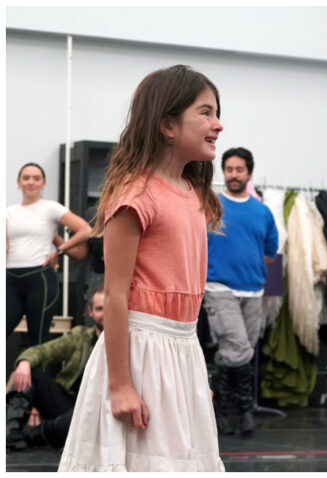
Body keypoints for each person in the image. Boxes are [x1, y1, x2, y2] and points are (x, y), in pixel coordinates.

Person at [58, 65, 226, 472]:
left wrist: (191, 372)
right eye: (205, 112)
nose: (218, 125)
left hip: (181, 350)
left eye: (217, 113)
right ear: (168, 124)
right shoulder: (136, 194)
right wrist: (119, 385)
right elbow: (115, 294)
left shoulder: (192, 193)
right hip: (141, 355)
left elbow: (187, 308)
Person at [204, 146, 278, 436]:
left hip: (254, 291)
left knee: (234, 351)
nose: (233, 175)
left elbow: (270, 252)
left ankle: (222, 410)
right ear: (224, 172)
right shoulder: (211, 205)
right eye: (229, 169)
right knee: (240, 348)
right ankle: (244, 410)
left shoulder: (263, 212)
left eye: (239, 170)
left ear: (249, 173)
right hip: (218, 287)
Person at [6, 286, 106, 450]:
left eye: (110, 307)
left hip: (98, 413)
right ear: (91, 311)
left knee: (76, 421)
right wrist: (24, 363)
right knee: (32, 371)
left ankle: (31, 436)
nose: (105, 314)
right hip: (69, 403)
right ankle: (10, 432)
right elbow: (41, 351)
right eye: (100, 309)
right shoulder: (80, 337)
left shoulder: (129, 341)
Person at [7, 163, 94, 346]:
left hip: (40, 278)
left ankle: (38, 374)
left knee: (37, 340)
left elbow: (85, 230)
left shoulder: (50, 208)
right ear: (18, 182)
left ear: (43, 183)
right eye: (26, 178)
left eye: (36, 178)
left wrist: (60, 250)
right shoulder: (8, 212)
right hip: (10, 279)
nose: (31, 182)